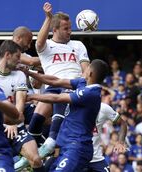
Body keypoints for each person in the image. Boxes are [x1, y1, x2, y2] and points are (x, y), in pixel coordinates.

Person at [24, 59, 109, 171]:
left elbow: (57, 98)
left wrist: (31, 97)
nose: (84, 68)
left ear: (90, 73)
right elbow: (56, 81)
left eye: (87, 67)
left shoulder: (91, 94)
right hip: (66, 146)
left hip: (77, 147)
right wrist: (30, 73)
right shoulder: (83, 83)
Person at [27, 1, 90, 153]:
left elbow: (86, 69)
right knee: (35, 123)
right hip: (52, 86)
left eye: (70, 28)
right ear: (54, 30)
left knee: (56, 123)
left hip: (72, 87)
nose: (70, 31)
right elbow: (39, 43)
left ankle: (51, 142)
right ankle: (34, 155)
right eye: (66, 28)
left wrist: (81, 84)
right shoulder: (47, 46)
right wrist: (48, 18)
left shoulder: (78, 45)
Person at [0, 40, 44, 171]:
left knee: (36, 159)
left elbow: (20, 101)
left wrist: (13, 123)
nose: (19, 61)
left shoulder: (19, 75)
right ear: (7, 55)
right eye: (17, 57)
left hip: (15, 126)